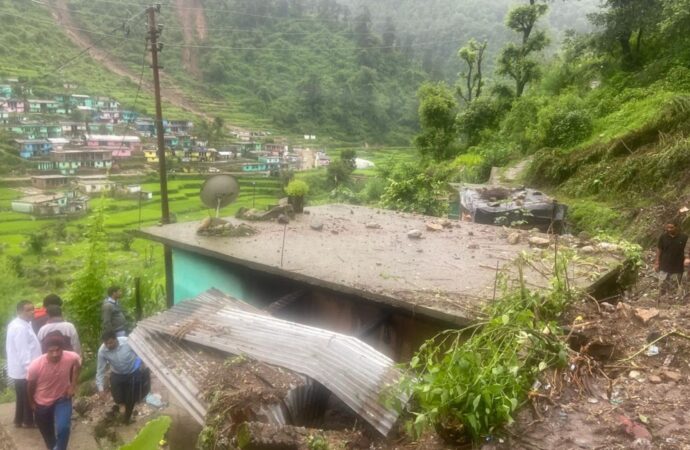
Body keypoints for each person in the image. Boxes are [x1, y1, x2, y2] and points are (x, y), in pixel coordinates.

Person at [27, 332, 80, 450]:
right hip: (42, 402)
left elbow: (78, 365)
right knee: (48, 436)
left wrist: (73, 385)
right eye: (51, 351)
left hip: (62, 398)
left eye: (58, 350)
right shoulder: (35, 366)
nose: (55, 354)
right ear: (46, 351)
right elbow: (30, 386)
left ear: (62, 348)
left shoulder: (71, 356)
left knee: (64, 428)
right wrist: (31, 403)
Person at [96, 331, 150, 424]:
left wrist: (138, 365)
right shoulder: (102, 351)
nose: (108, 345)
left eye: (111, 342)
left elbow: (140, 353)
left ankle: (127, 418)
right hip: (117, 374)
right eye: (106, 343)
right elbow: (100, 370)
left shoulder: (128, 342)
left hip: (133, 372)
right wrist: (100, 389)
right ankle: (122, 406)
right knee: (118, 398)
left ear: (116, 339)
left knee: (131, 398)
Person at [5, 300, 42, 428]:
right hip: (24, 369)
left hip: (20, 368)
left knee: (22, 395)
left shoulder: (23, 323)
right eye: (28, 310)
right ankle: (28, 421)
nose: (32, 312)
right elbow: (23, 351)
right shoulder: (19, 328)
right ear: (19, 312)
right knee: (28, 395)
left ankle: (18, 420)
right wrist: (29, 369)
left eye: (33, 309)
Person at [655, 221, 690, 298]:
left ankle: (672, 300)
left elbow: (687, 250)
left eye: (671, 227)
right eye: (668, 227)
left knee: (675, 284)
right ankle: (660, 299)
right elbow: (659, 249)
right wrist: (657, 262)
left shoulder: (684, 237)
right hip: (664, 264)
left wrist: (687, 259)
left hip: (678, 265)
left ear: (676, 227)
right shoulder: (663, 237)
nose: (669, 229)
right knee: (662, 284)